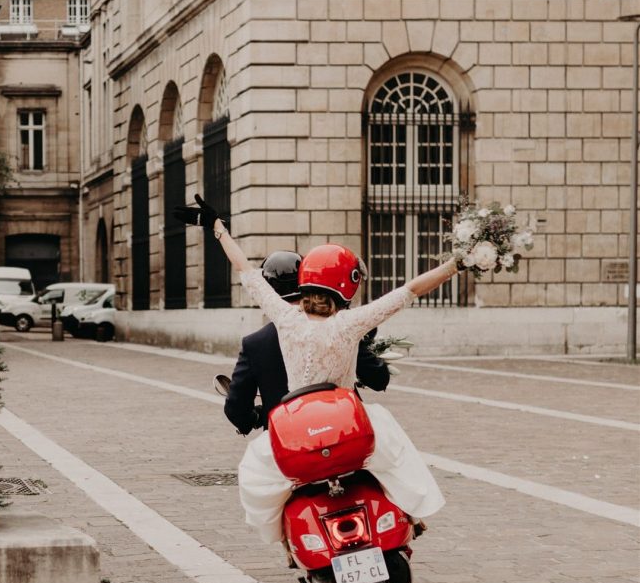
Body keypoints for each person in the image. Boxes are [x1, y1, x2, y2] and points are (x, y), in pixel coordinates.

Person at [175, 194, 461, 546]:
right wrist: (457, 264)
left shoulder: (285, 319)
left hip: (299, 430)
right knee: (394, 457)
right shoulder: (351, 324)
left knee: (255, 474)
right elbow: (411, 289)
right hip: (344, 427)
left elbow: (244, 270)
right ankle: (407, 515)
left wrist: (217, 228)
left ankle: (289, 542)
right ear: (349, 286)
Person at [224, 250, 391, 436]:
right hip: (340, 434)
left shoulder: (254, 344)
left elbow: (236, 409)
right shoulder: (338, 328)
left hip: (288, 443)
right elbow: (379, 379)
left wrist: (256, 417)